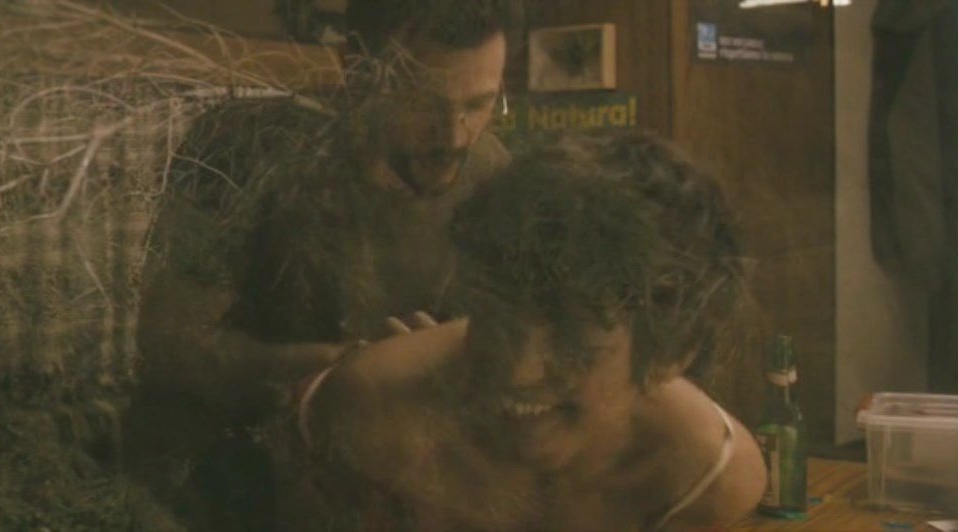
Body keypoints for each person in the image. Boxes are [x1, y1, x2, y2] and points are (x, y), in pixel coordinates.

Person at [122, 1, 517, 530]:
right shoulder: (247, 146)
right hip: (224, 478)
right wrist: (352, 367)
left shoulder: (490, 172)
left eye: (480, 103)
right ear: (359, 72)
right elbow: (169, 345)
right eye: (424, 103)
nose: (454, 136)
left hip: (386, 477)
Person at [304, 131, 767, 531]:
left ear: (672, 352)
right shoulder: (371, 409)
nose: (517, 370)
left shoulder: (702, 477)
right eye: (496, 316)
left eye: (572, 337)